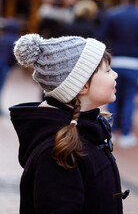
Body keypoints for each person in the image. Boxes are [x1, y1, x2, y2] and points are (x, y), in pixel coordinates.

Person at [9, 34, 128, 213]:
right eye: (107, 70)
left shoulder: (89, 130)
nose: (115, 74)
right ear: (82, 86)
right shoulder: (57, 152)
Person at [97, 0, 138, 148]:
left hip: (116, 59)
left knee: (110, 96)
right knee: (129, 99)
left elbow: (102, 36)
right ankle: (126, 133)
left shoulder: (112, 14)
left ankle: (110, 131)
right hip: (135, 62)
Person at [0, 18, 20, 114]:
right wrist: (11, 66)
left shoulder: (2, 38)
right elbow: (15, 58)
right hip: (4, 67)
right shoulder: (15, 41)